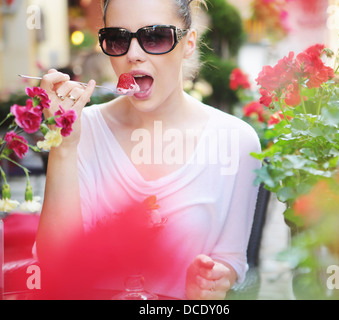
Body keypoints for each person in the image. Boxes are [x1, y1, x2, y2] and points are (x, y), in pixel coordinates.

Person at [35, 0, 261, 300]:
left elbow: (232, 261)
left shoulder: (237, 141)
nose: (133, 55)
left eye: (155, 37)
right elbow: (54, 268)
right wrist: (64, 145)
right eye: (117, 39)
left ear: (189, 43)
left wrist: (211, 281)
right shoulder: (80, 130)